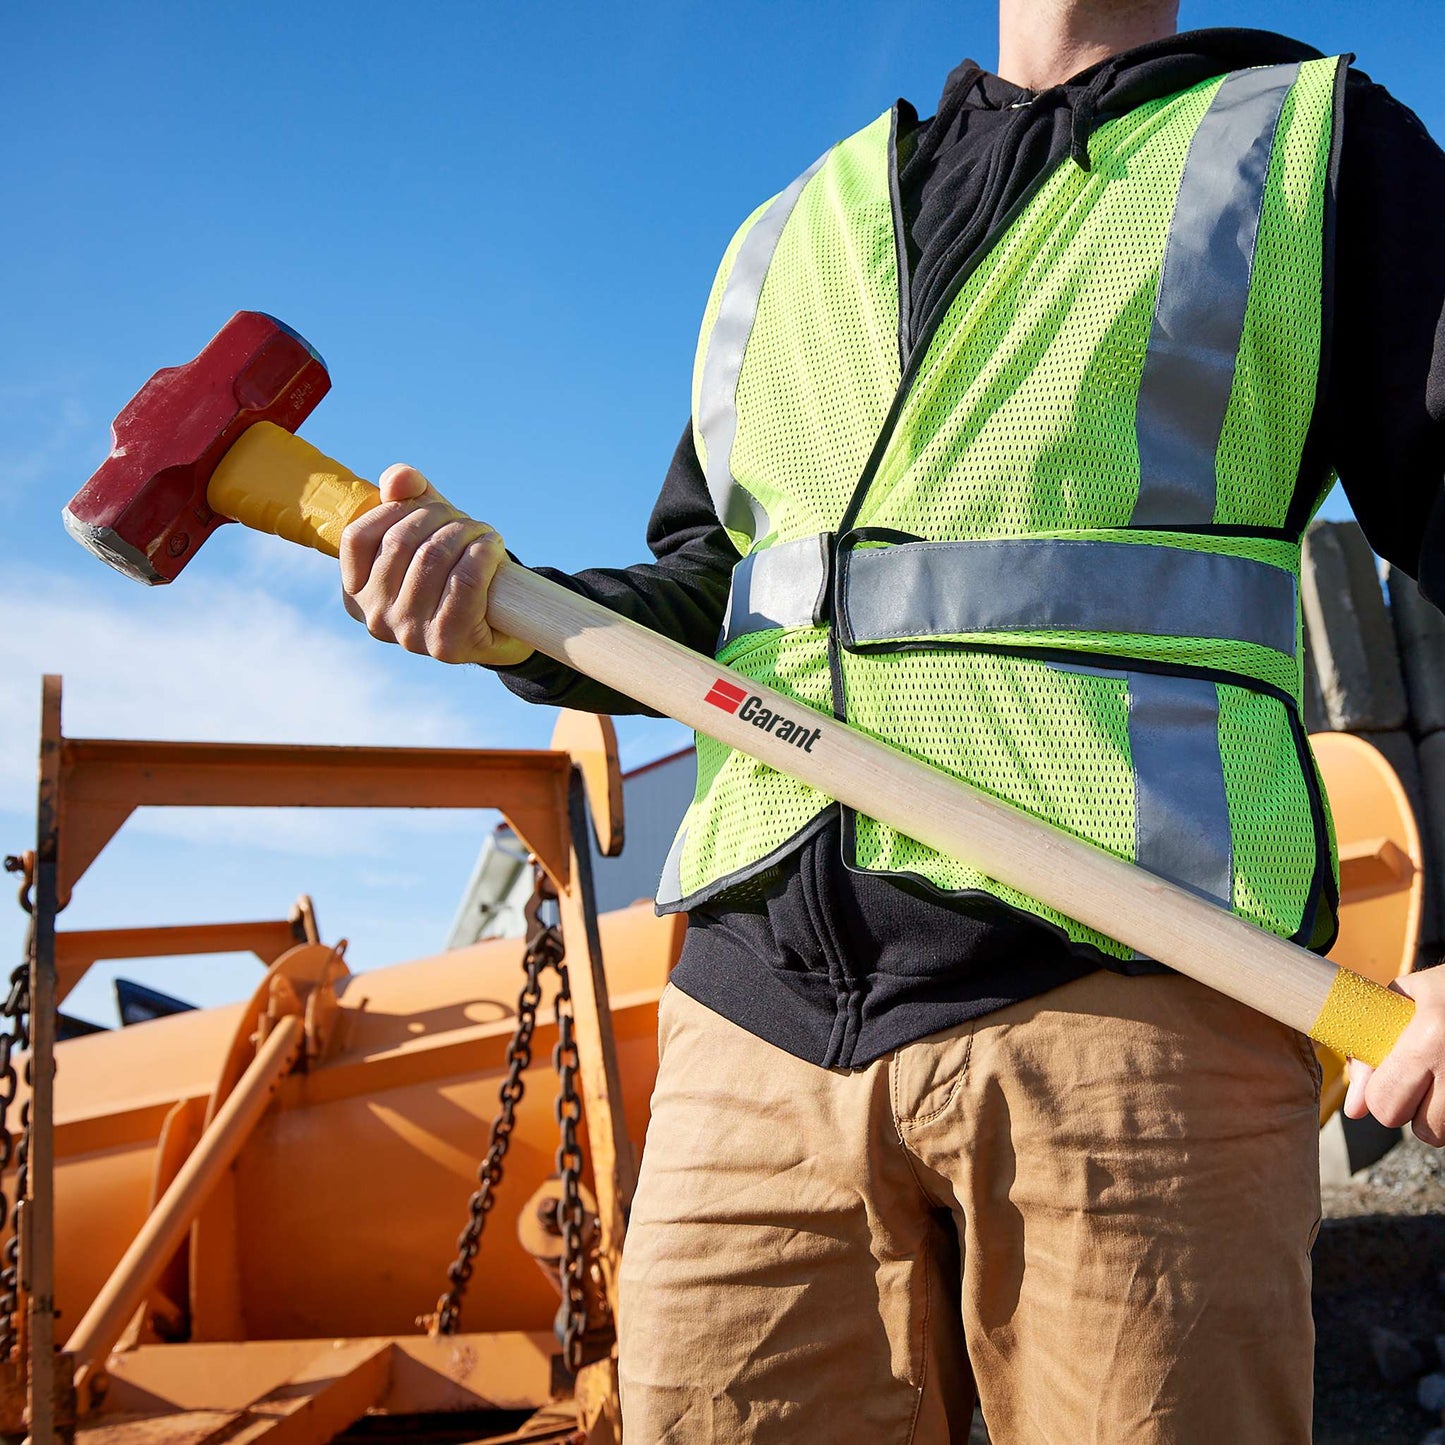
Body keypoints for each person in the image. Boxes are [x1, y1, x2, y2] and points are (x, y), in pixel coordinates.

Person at [340, 2, 1445, 1439]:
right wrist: (509, 609)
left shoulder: (1301, 150)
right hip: (752, 1025)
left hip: (1134, 997)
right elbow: (727, 600)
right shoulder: (794, 230)